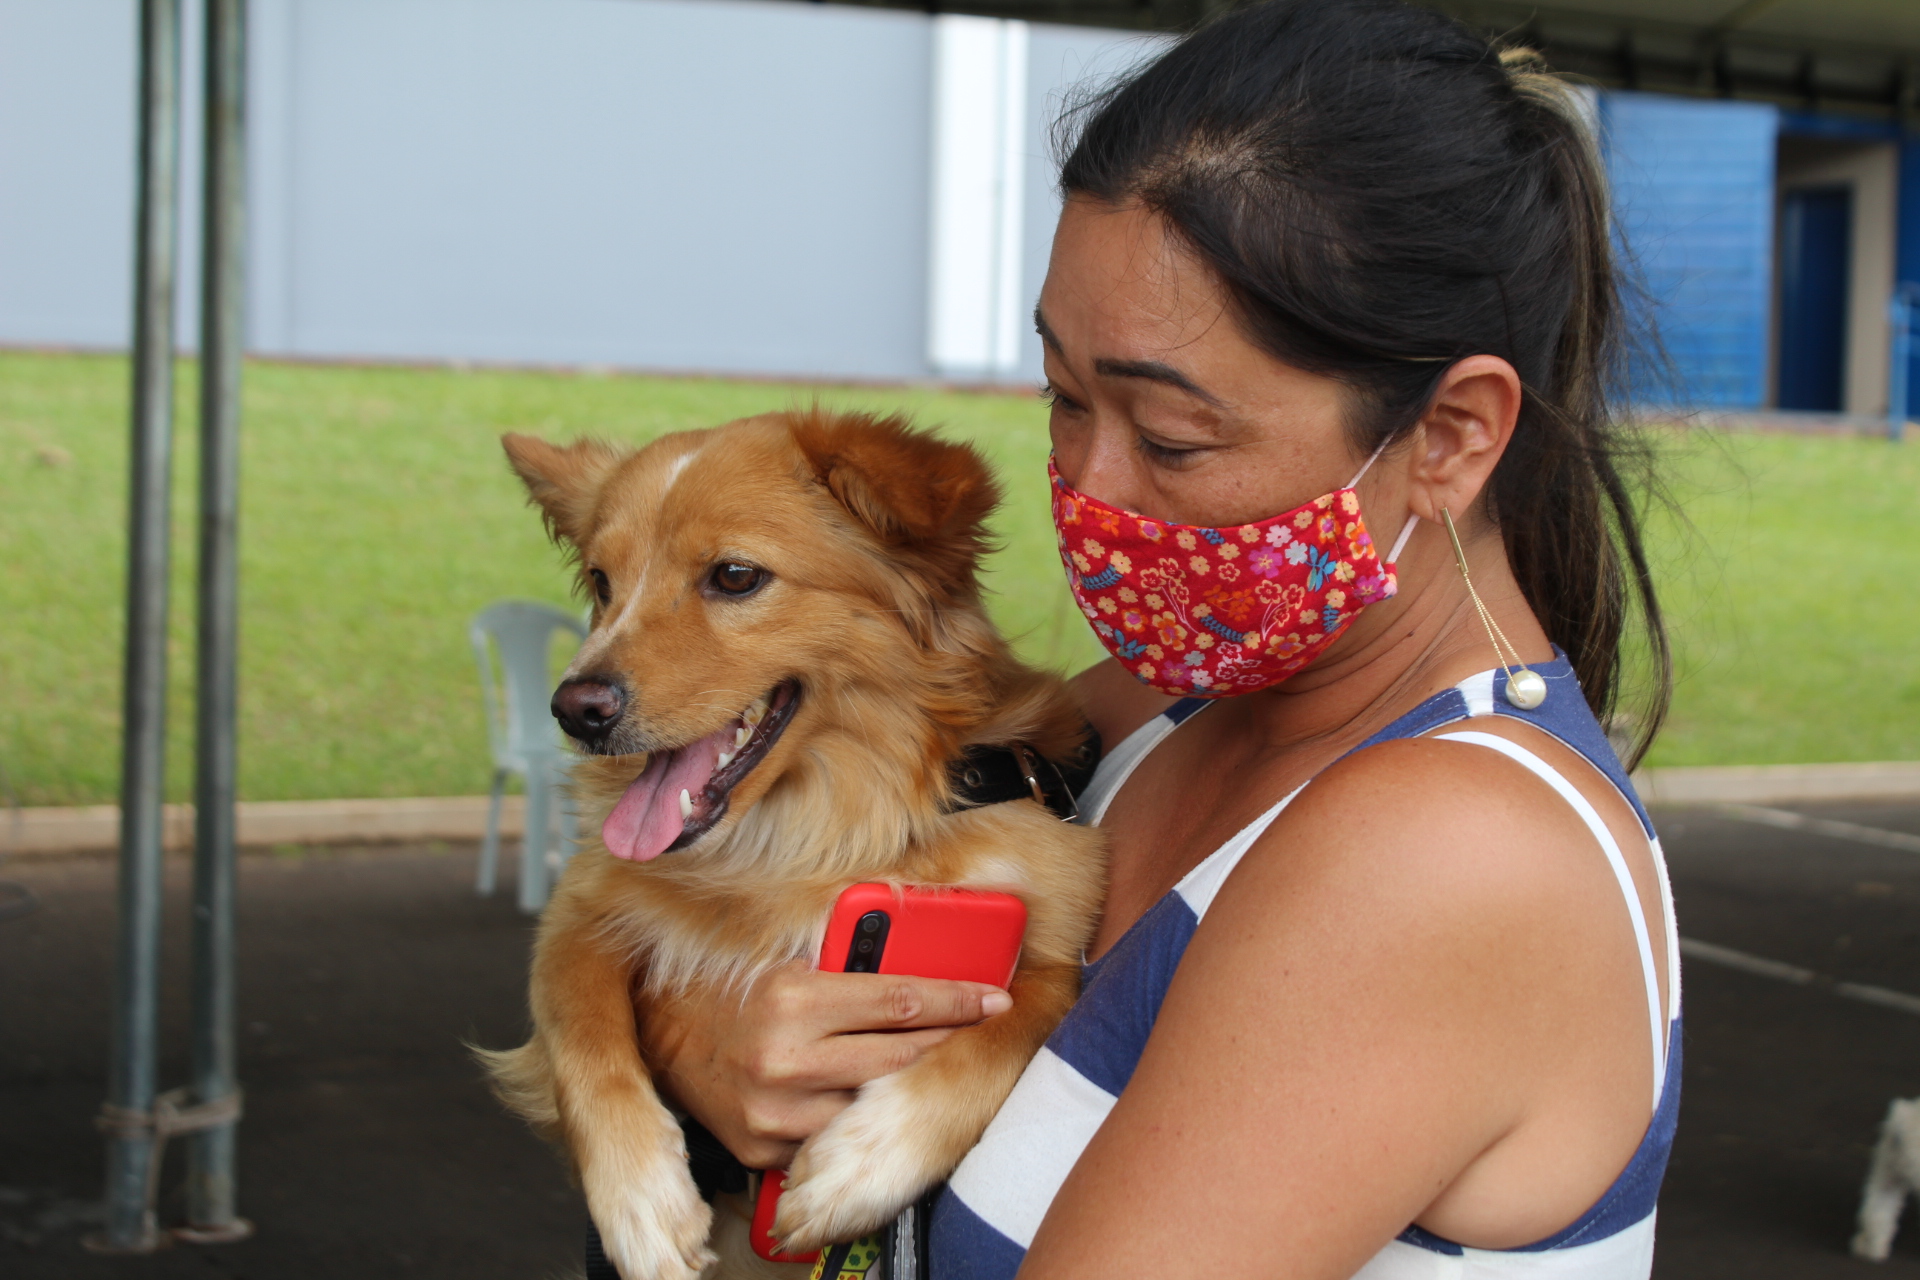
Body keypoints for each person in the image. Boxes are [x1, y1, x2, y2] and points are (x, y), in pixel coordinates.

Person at [639, 1, 1680, 1274]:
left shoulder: (1449, 849)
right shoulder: (1151, 707)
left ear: (1452, 435)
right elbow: (735, 883)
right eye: (1064, 399)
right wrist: (694, 1026)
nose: (1089, 485)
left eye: (1174, 438)